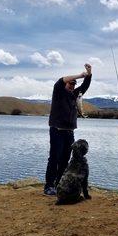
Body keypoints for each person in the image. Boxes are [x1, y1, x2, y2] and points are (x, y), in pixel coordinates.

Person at [44, 63, 92, 196]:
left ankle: (59, 183)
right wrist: (79, 75)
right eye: (70, 83)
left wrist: (89, 73)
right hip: (57, 130)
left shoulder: (74, 94)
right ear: (66, 84)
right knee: (54, 158)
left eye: (74, 84)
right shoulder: (58, 91)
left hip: (69, 132)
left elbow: (85, 86)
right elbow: (61, 80)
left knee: (65, 159)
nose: (72, 86)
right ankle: (48, 186)